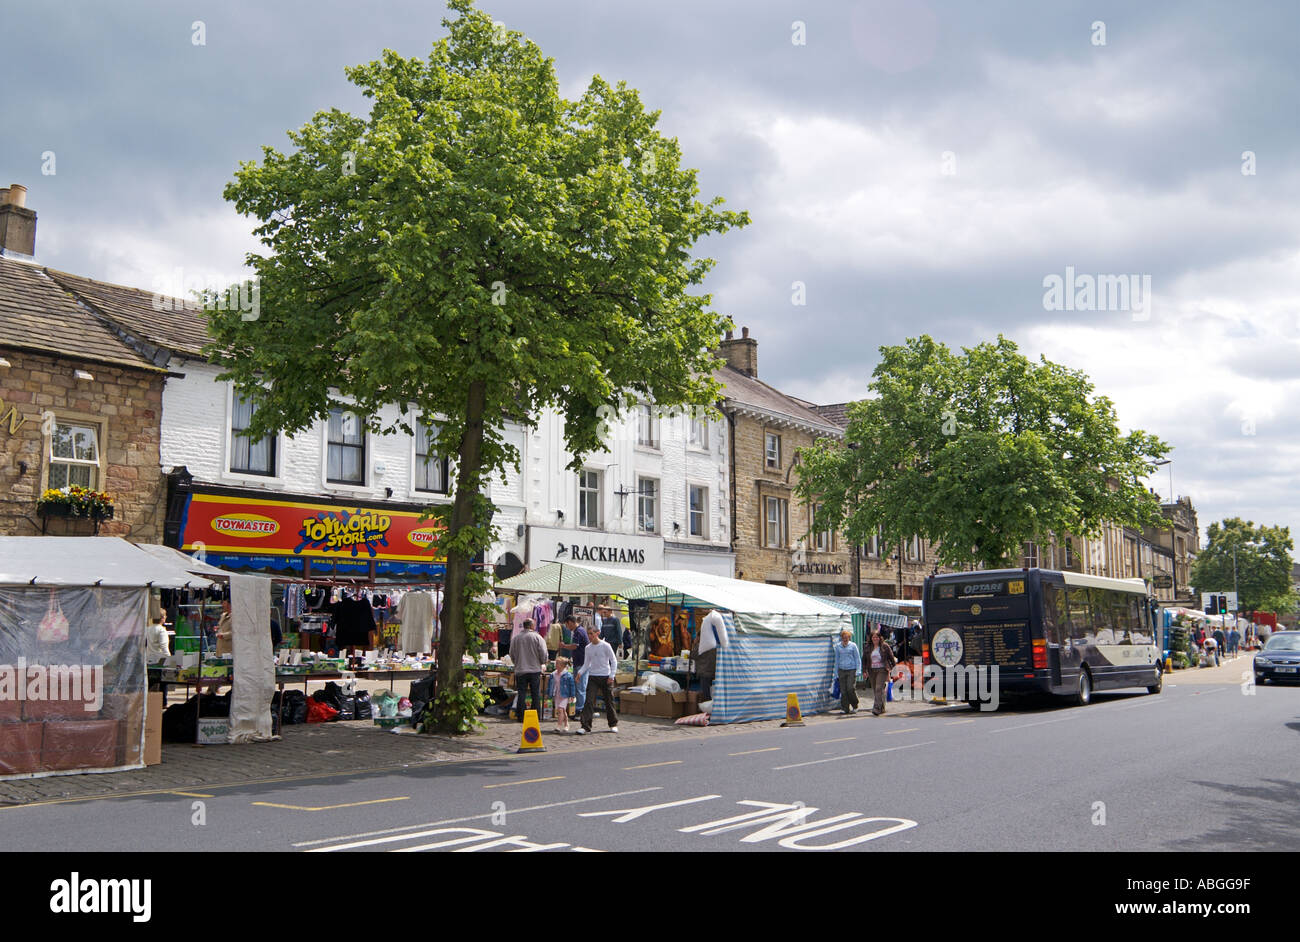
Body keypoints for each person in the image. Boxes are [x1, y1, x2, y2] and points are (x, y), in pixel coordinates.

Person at [578, 626, 619, 735]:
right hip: (593, 676)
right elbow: (587, 663)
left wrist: (612, 675)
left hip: (606, 676)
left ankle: (613, 724)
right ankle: (585, 726)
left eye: (591, 633)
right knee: (589, 701)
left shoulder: (606, 646)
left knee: (609, 701)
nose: (590, 636)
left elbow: (613, 661)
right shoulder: (588, 648)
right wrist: (580, 673)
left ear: (597, 633)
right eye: (588, 634)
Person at [509, 617, 548, 722]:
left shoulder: (516, 638)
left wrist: (516, 663)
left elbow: (511, 654)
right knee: (535, 693)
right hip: (534, 670)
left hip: (520, 669)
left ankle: (521, 716)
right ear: (532, 626)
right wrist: (542, 662)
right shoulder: (537, 637)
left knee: (521, 692)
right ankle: (535, 716)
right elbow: (544, 653)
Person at [558, 615, 588, 713]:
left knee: (580, 688)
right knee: (578, 687)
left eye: (567, 625)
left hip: (581, 663)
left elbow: (575, 646)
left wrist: (564, 646)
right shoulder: (578, 631)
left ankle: (580, 710)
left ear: (570, 622)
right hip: (578, 662)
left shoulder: (578, 631)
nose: (567, 627)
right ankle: (578, 708)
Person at [866, 629, 898, 715]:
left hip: (882, 669)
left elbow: (891, 658)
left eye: (877, 637)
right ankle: (882, 707)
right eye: (873, 637)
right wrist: (864, 671)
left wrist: (895, 669)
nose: (875, 639)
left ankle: (876, 708)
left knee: (878, 688)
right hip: (872, 670)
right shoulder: (868, 647)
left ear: (880, 638)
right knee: (876, 690)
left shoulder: (885, 646)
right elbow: (864, 659)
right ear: (871, 638)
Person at [833, 629, 862, 714]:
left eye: (847, 637)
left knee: (850, 688)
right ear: (841, 638)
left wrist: (858, 670)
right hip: (841, 670)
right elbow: (837, 660)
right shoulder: (838, 646)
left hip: (851, 670)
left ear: (849, 637)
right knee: (843, 690)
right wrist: (836, 673)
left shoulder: (853, 646)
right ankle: (845, 708)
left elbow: (857, 658)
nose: (845, 639)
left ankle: (855, 705)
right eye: (843, 637)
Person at [551, 656, 576, 732]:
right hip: (557, 694)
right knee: (562, 710)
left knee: (561, 709)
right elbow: (551, 685)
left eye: (557, 664)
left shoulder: (568, 675)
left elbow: (572, 686)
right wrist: (549, 692)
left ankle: (558, 725)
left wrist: (572, 695)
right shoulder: (554, 674)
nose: (556, 665)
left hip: (564, 695)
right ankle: (566, 724)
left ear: (562, 666)